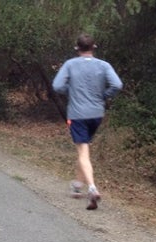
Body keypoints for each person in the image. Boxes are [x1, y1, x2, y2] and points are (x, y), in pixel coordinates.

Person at [52, 34, 123, 210]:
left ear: (77, 49)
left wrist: (72, 91)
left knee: (83, 151)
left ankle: (92, 188)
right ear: (94, 47)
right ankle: (77, 186)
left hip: (77, 114)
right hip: (97, 114)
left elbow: (57, 86)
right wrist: (104, 96)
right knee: (83, 149)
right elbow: (117, 85)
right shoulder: (104, 65)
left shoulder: (70, 64)